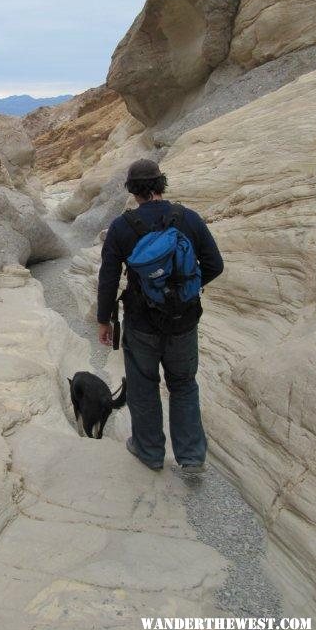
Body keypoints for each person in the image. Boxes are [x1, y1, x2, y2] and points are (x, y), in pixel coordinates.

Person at [97, 159, 224, 473]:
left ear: (132, 190)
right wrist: (185, 290)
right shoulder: (188, 219)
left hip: (141, 323)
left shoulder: (122, 227)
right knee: (183, 384)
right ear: (161, 184)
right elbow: (215, 264)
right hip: (184, 320)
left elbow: (109, 278)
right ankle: (192, 457)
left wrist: (104, 320)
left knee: (143, 385)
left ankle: (150, 451)